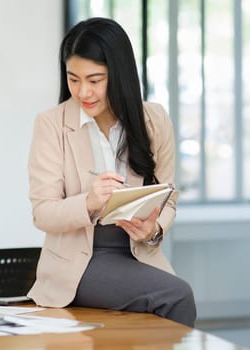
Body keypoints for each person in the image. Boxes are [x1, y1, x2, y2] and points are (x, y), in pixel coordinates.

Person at [26, 17, 196, 327]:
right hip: (80, 261)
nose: (83, 92)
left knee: (168, 304)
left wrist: (154, 228)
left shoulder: (153, 120)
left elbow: (168, 198)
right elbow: (42, 213)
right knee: (177, 296)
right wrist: (89, 202)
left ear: (119, 75)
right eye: (73, 79)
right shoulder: (51, 124)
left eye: (95, 79)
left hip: (138, 252)